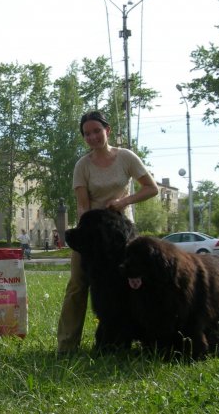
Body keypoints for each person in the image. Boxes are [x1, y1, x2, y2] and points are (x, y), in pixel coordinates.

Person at [56, 110, 159, 355]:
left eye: (96, 131)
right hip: (93, 235)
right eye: (86, 134)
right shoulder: (82, 165)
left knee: (130, 284)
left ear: (107, 130)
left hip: (122, 234)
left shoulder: (126, 157)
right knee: (78, 284)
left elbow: (151, 188)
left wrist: (124, 201)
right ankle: (67, 346)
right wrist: (85, 237)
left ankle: (132, 339)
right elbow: (83, 206)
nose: (92, 137)